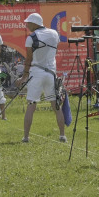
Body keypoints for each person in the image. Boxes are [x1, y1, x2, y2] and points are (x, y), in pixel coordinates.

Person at [19, 13, 67, 143]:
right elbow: (54, 51)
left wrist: (24, 77)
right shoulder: (54, 34)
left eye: (28, 23)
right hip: (51, 74)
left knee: (31, 105)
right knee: (56, 106)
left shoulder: (31, 38)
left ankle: (26, 137)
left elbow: (28, 59)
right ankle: (62, 135)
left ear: (35, 23)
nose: (27, 25)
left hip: (36, 73)